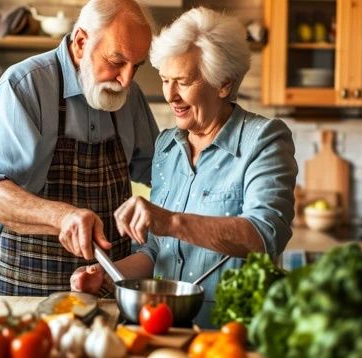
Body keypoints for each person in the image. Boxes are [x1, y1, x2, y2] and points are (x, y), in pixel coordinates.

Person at [71, 7, 298, 327]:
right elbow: (154, 253)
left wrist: (172, 222)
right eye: (165, 80)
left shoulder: (263, 140)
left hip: (227, 333)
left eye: (183, 81)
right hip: (162, 328)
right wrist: (109, 276)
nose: (170, 95)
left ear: (223, 83)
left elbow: (265, 235)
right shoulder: (166, 146)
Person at [0, 0, 160, 296]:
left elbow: (160, 176)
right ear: (81, 42)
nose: (125, 79)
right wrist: (63, 217)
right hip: (29, 286)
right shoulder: (24, 86)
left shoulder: (130, 97)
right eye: (116, 61)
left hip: (105, 283)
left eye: (135, 66)